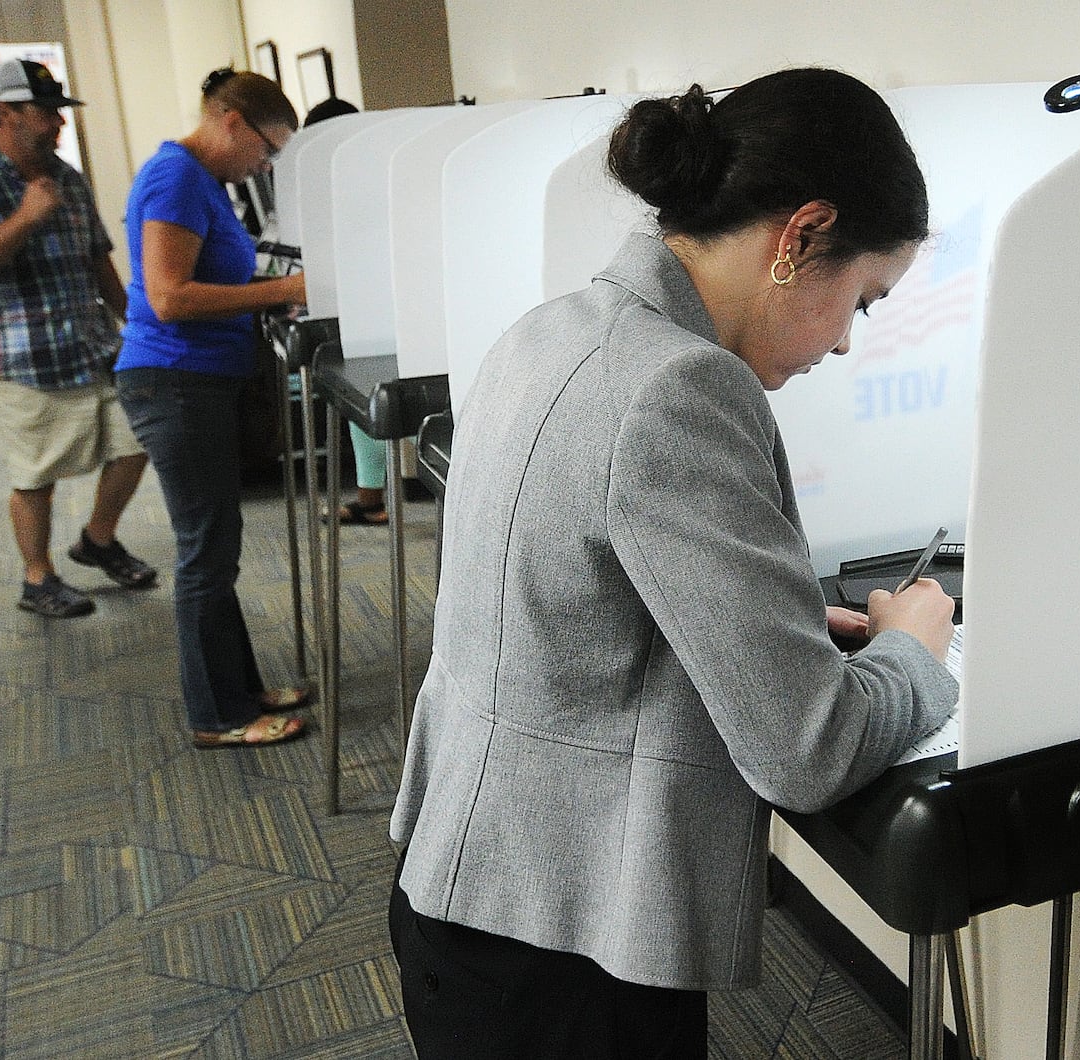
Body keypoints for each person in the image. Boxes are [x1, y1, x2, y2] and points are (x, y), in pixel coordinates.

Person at [388, 68, 959, 1057]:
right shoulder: (681, 385)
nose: (841, 344)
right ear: (801, 235)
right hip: (563, 939)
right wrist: (913, 647)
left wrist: (756, 618)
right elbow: (806, 748)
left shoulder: (555, 329)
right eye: (860, 301)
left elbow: (562, 596)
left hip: (478, 885)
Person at [114, 68, 310, 749]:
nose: (265, 163)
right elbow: (170, 297)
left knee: (216, 546)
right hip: (174, 380)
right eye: (266, 149)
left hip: (193, 381)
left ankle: (241, 688)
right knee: (204, 553)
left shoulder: (202, 182)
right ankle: (217, 715)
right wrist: (281, 289)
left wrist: (270, 290)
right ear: (233, 122)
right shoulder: (174, 178)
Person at [0, 59, 157, 618]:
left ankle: (98, 540)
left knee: (137, 445)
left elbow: (98, 260)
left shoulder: (69, 178)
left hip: (94, 348)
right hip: (23, 363)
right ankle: (38, 578)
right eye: (43, 112)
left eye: (58, 112)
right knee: (35, 477)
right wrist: (27, 217)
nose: (56, 123)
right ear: (5, 111)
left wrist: (137, 325)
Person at [297, 95, 390, 525]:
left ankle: (373, 496)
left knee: (365, 392)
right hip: (370, 297)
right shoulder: (365, 166)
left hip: (376, 299)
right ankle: (371, 496)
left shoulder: (359, 174)